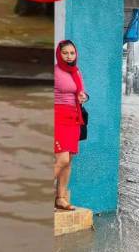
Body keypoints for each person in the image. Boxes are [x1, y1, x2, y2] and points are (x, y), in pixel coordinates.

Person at [54, 39, 88, 211]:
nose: (69, 56)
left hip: (73, 117)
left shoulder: (76, 71)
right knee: (62, 159)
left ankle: (60, 198)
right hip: (58, 117)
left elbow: (82, 92)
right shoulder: (54, 71)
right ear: (59, 54)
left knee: (69, 161)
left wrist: (84, 97)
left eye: (72, 53)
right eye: (65, 53)